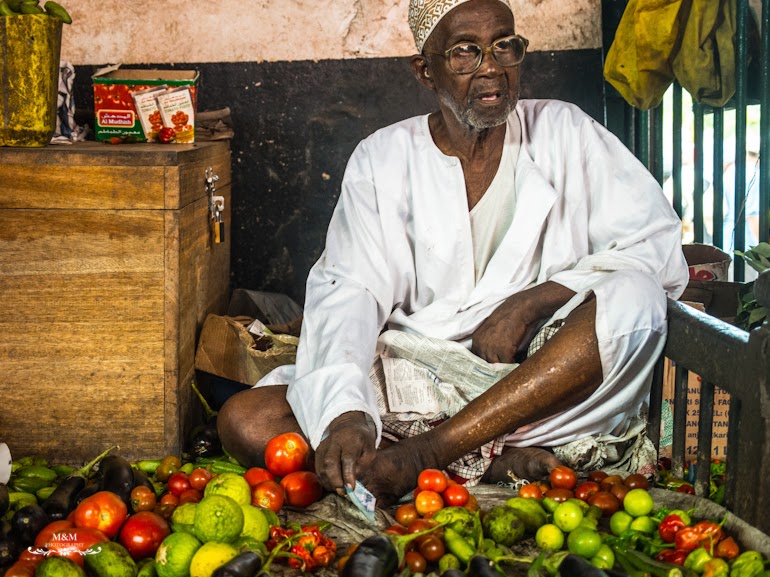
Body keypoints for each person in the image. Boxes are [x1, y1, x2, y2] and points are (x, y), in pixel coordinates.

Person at [218, 0, 689, 503]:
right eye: (466, 51)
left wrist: (530, 303)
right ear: (426, 71)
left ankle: (427, 455)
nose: (491, 68)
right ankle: (488, 459)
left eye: (504, 46)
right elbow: (348, 290)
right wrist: (347, 416)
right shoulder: (383, 158)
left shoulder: (565, 131)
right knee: (247, 420)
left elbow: (656, 246)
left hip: (533, 381)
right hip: (417, 373)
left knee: (636, 299)